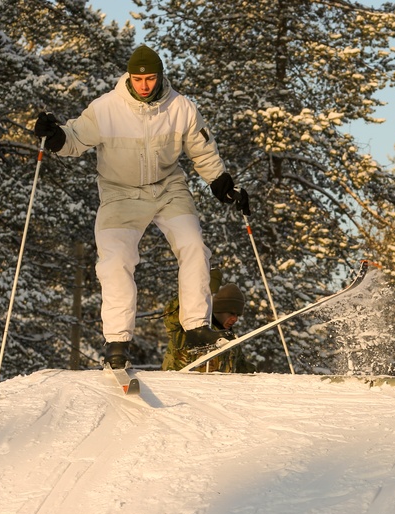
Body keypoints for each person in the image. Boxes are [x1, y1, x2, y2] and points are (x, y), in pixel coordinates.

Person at [32, 44, 250, 369]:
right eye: (138, 79)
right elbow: (75, 137)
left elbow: (202, 151)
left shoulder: (182, 109)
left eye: (150, 78)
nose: (144, 85)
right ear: (130, 77)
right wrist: (55, 137)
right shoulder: (107, 108)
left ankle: (196, 328)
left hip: (167, 188)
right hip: (120, 193)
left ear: (159, 76)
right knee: (116, 259)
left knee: (194, 246)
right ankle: (117, 342)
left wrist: (222, 184)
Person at [161, 269, 254, 373]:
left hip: (215, 389)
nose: (235, 319)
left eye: (238, 315)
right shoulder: (189, 330)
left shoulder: (230, 338)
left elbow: (241, 367)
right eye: (231, 313)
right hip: (181, 387)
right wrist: (201, 289)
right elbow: (172, 314)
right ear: (218, 310)